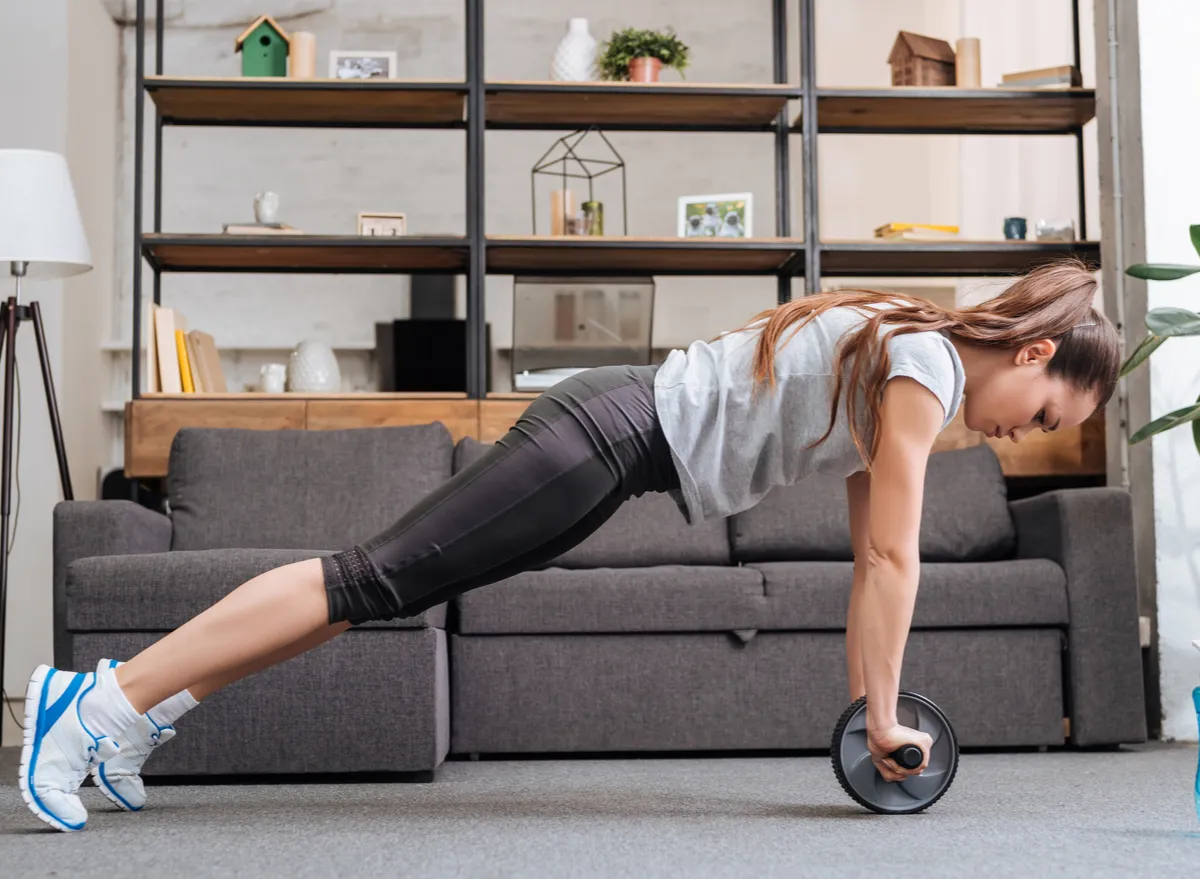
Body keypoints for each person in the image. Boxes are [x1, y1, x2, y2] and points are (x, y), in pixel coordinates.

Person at [19, 260, 1119, 832]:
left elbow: (870, 556)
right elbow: (892, 563)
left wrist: (874, 704)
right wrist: (881, 718)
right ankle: (93, 709)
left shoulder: (904, 348)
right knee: (367, 576)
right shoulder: (924, 366)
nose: (1027, 439)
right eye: (1046, 411)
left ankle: (134, 708)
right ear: (1029, 350)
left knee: (371, 594)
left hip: (618, 451)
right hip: (609, 436)